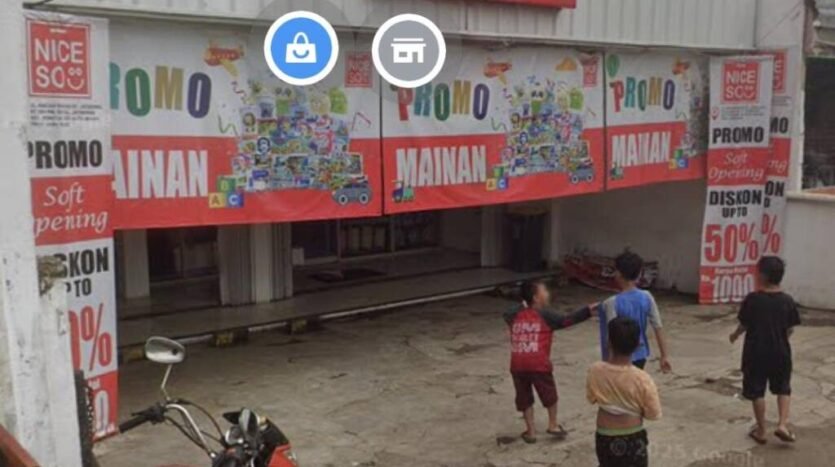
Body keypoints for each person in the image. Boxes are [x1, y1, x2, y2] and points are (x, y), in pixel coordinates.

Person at [502, 280, 594, 444]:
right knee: (549, 395)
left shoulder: (514, 314)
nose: (548, 293)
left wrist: (523, 303)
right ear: (536, 298)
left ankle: (531, 432)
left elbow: (506, 314)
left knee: (524, 398)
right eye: (544, 291)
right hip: (538, 363)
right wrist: (587, 311)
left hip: (517, 363)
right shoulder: (546, 315)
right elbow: (567, 320)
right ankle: (553, 424)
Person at [729, 256, 801, 445]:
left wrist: (735, 335)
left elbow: (744, 324)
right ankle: (782, 424)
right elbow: (790, 329)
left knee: (757, 391)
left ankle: (761, 430)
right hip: (781, 352)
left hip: (756, 353)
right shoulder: (788, 301)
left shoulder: (753, 300)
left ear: (762, 275)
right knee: (783, 388)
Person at [587, 317, 662, 467]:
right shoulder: (642, 379)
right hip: (632, 436)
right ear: (638, 345)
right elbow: (653, 414)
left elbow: (591, 398)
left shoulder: (595, 370)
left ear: (609, 342)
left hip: (604, 435)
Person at [599, 251, 671, 372]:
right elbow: (658, 327)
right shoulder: (647, 297)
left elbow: (611, 336)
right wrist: (664, 356)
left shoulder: (611, 303)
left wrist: (609, 363)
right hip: (641, 354)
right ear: (639, 274)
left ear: (618, 274)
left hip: (619, 358)